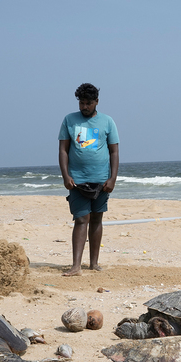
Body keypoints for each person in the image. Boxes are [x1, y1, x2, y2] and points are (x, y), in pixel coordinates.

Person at [58, 83, 120, 275]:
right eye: (82, 103)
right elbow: (63, 150)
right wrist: (66, 175)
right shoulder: (69, 120)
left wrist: (112, 179)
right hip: (77, 180)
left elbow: (114, 151)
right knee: (81, 219)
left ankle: (93, 263)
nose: (84, 107)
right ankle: (76, 266)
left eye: (88, 103)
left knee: (96, 219)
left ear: (96, 102)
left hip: (101, 180)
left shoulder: (107, 121)